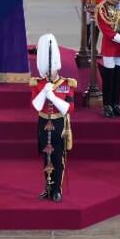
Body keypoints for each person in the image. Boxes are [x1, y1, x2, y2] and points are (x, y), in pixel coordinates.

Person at [30, 34, 76, 203]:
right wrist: (44, 91)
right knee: (46, 158)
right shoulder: (38, 83)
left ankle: (57, 188)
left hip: (58, 124)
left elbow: (68, 108)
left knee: (58, 158)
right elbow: (35, 106)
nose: (50, 72)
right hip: (43, 123)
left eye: (52, 68)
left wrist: (53, 96)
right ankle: (47, 187)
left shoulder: (66, 83)